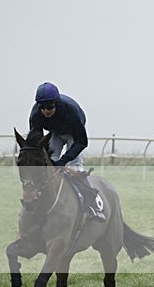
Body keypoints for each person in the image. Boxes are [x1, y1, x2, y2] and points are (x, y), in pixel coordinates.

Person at [26, 82, 105, 222]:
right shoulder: (36, 115)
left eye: (49, 107)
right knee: (49, 164)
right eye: (42, 107)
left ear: (56, 103)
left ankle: (93, 204)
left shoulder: (71, 112)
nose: (45, 111)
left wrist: (63, 161)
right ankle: (42, 199)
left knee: (74, 167)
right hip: (56, 131)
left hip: (74, 133)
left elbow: (82, 142)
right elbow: (37, 141)